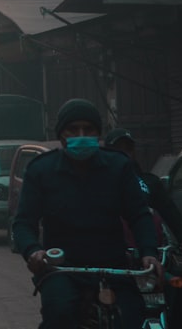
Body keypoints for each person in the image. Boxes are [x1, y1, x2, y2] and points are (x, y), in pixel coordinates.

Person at [12, 99, 163, 329]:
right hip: (62, 270)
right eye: (73, 129)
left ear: (98, 133)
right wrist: (33, 251)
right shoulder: (41, 170)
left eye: (88, 129)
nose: (81, 134)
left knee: (135, 318)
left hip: (116, 268)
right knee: (59, 313)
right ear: (61, 135)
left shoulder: (118, 167)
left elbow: (139, 215)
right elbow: (23, 222)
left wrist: (149, 252)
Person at [105, 128, 182, 329]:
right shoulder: (100, 183)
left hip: (154, 261)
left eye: (127, 149)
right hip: (117, 264)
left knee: (181, 283)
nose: (124, 154)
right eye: (117, 149)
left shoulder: (149, 182)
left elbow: (169, 211)